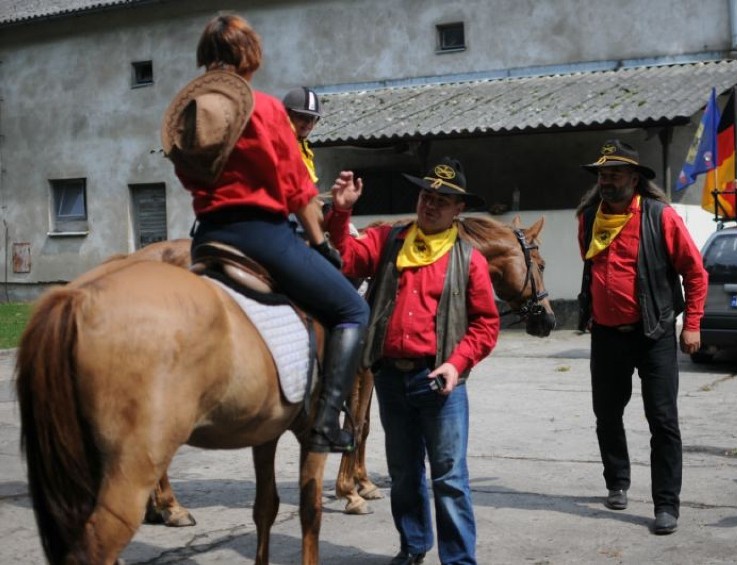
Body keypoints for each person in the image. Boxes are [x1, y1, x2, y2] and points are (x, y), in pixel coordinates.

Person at [160, 13, 369, 453]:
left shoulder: (189, 114)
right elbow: (298, 192)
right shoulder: (267, 108)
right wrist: (320, 245)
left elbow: (186, 175)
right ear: (250, 58)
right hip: (263, 238)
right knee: (352, 311)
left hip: (207, 237)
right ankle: (327, 423)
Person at [326, 158, 500, 565]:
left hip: (440, 382)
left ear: (459, 209)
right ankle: (413, 546)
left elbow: (486, 325)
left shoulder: (469, 258)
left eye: (442, 200)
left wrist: (457, 364)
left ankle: (458, 560)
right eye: (426, 196)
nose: (430, 205)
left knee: (450, 480)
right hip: (391, 378)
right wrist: (342, 211)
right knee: (404, 476)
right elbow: (347, 259)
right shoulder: (390, 239)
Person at [575, 139, 708, 535]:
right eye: (602, 174)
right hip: (606, 336)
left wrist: (694, 324)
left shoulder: (660, 217)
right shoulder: (587, 219)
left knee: (663, 421)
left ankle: (666, 504)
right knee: (607, 414)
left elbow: (695, 272)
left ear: (635, 177)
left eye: (615, 173)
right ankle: (617, 482)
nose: (607, 180)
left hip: (654, 334)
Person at [283, 86, 323, 184]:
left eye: (312, 118)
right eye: (302, 117)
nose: (308, 123)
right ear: (286, 115)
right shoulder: (281, 149)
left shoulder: (304, 150)